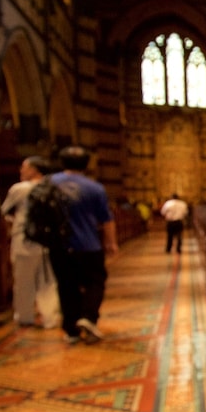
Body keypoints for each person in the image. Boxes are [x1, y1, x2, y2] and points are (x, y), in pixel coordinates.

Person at [48, 145, 119, 344]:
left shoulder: (49, 184)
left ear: (61, 163)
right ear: (87, 165)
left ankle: (71, 330)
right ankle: (88, 317)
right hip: (88, 245)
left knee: (66, 286)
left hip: (59, 246)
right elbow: (106, 219)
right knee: (95, 282)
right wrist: (111, 243)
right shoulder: (94, 188)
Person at [0, 156, 62, 329]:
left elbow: (3, 211)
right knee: (48, 281)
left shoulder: (19, 189)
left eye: (24, 167)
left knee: (23, 280)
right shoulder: (53, 187)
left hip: (24, 240)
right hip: (48, 241)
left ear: (35, 170)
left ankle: (25, 316)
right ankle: (50, 317)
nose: (21, 171)